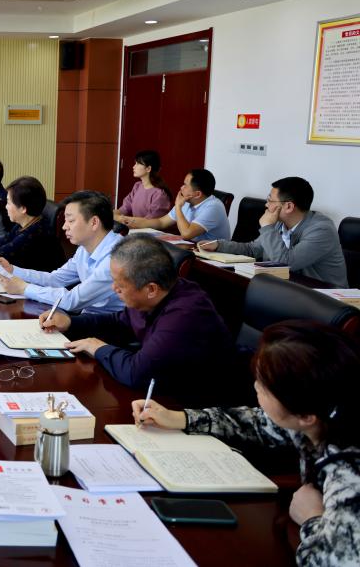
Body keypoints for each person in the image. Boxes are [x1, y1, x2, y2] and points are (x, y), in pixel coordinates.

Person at [132, 320, 360, 565]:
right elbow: (258, 423)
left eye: (264, 386)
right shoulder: (323, 416)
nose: (255, 387)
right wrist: (180, 418)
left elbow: (336, 561)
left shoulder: (349, 474)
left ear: (306, 416)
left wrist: (311, 518)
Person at [41, 235, 245, 406]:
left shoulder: (186, 314)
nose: (114, 289)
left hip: (202, 405)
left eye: (120, 285)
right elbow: (119, 322)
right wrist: (71, 322)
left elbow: (136, 373)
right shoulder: (155, 296)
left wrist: (97, 347)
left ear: (151, 289)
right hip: (163, 395)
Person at [199, 177, 347, 287]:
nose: (266, 205)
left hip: (326, 300)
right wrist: (219, 245)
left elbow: (286, 262)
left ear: (288, 206)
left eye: (270, 201)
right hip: (291, 288)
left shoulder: (321, 229)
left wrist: (267, 227)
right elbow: (253, 249)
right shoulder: (280, 222)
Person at [0, 190, 123, 313]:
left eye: (71, 221)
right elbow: (55, 279)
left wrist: (24, 288)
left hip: (108, 324)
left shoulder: (116, 258)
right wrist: (12, 270)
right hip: (86, 318)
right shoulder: (84, 248)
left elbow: (73, 300)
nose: (64, 226)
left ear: (94, 222)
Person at [0, 176, 64, 272]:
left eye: (9, 203)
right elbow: (2, 242)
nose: (6, 207)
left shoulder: (34, 234)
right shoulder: (24, 224)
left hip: (38, 284)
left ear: (23, 208)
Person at [120, 168, 230, 243]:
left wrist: (178, 207)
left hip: (214, 257)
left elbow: (187, 233)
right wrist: (130, 221)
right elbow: (161, 222)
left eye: (185, 185)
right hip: (194, 250)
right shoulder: (188, 201)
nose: (181, 187)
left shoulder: (213, 207)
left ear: (197, 194)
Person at [114, 149, 172, 220]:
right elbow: (125, 208)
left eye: (138, 164)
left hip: (146, 227)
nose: (133, 167)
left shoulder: (160, 194)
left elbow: (150, 221)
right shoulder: (137, 186)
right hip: (135, 226)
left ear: (148, 169)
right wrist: (110, 214)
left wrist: (122, 219)